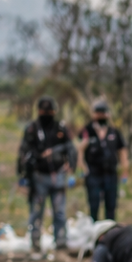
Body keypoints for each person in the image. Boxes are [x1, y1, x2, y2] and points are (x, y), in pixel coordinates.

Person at [18, 97, 77, 250]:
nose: (46, 114)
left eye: (49, 111)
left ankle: (61, 241)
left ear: (54, 111)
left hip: (58, 176)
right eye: (44, 111)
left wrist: (71, 166)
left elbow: (70, 147)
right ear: (38, 111)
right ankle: (35, 242)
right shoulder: (32, 129)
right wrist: (22, 175)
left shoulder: (60, 128)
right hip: (38, 177)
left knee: (60, 212)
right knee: (36, 212)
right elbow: (23, 151)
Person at [78, 99, 128, 221]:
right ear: (93, 114)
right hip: (93, 174)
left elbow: (122, 151)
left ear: (108, 114)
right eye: (98, 113)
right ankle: (94, 231)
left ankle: (110, 233)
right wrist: (82, 167)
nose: (101, 116)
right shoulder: (87, 131)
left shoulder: (114, 132)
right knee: (93, 205)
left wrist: (125, 169)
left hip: (110, 174)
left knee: (111, 206)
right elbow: (79, 150)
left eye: (103, 113)